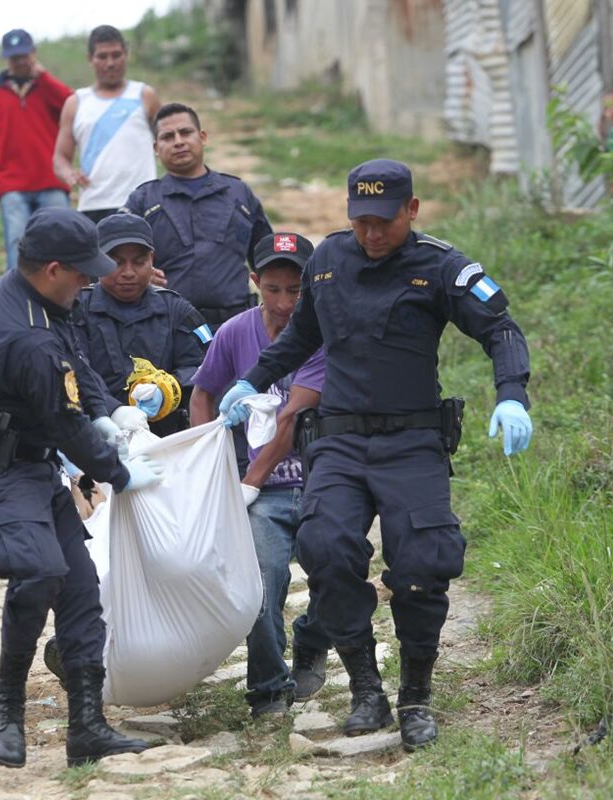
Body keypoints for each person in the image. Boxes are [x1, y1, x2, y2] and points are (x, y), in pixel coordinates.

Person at [218, 159, 533, 751]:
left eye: (383, 222)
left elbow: (501, 331)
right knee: (326, 549)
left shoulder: (441, 267)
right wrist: (252, 380)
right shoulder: (328, 260)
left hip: (412, 442)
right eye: (360, 221)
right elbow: (303, 334)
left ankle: (416, 695)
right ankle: (367, 688)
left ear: (411, 211)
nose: (371, 234)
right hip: (338, 440)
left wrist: (512, 395)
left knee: (423, 564)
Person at [0, 207, 157, 769]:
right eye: (82, 272)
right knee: (38, 570)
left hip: (32, 468)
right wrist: (121, 473)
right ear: (54, 268)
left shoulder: (40, 297)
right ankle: (8, 703)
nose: (91, 281)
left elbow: (77, 362)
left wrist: (107, 409)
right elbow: (64, 424)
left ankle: (87, 726)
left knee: (81, 588)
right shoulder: (25, 333)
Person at [189, 231, 331, 718]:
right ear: (255, 283)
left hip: (319, 481)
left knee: (338, 576)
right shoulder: (233, 333)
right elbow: (203, 392)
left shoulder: (322, 333)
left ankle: (312, 638)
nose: (285, 302)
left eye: (296, 291)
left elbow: (292, 415)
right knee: (261, 580)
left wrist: (248, 480)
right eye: (273, 289)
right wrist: (209, 458)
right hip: (263, 494)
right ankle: (268, 685)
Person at [122, 102, 273, 330]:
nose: (178, 141)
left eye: (185, 132)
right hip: (167, 326)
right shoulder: (143, 200)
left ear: (202, 136)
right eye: (168, 137)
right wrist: (141, 276)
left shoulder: (238, 193)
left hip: (235, 325)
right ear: (155, 147)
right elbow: (111, 261)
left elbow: (267, 259)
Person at [72, 213, 211, 437]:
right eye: (116, 262)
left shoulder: (177, 310)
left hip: (164, 440)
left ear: (152, 260)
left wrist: (168, 388)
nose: (128, 272)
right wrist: (112, 409)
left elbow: (207, 367)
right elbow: (73, 372)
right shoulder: (76, 310)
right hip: (94, 439)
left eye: (138, 262)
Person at [0, 28, 74, 271]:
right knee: (18, 244)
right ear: (6, 59)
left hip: (51, 178)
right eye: (14, 57)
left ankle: (67, 297)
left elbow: (73, 106)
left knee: (62, 242)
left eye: (24, 55)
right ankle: (18, 300)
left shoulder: (47, 86)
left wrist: (44, 77)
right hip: (11, 183)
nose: (20, 62)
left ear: (34, 54)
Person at [53, 24, 159, 223]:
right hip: (94, 205)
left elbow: (165, 143)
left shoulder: (145, 96)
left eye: (116, 55)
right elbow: (60, 159)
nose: (110, 63)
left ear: (126, 55)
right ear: (90, 59)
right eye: (102, 56)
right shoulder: (76, 103)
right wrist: (69, 174)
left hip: (142, 202)